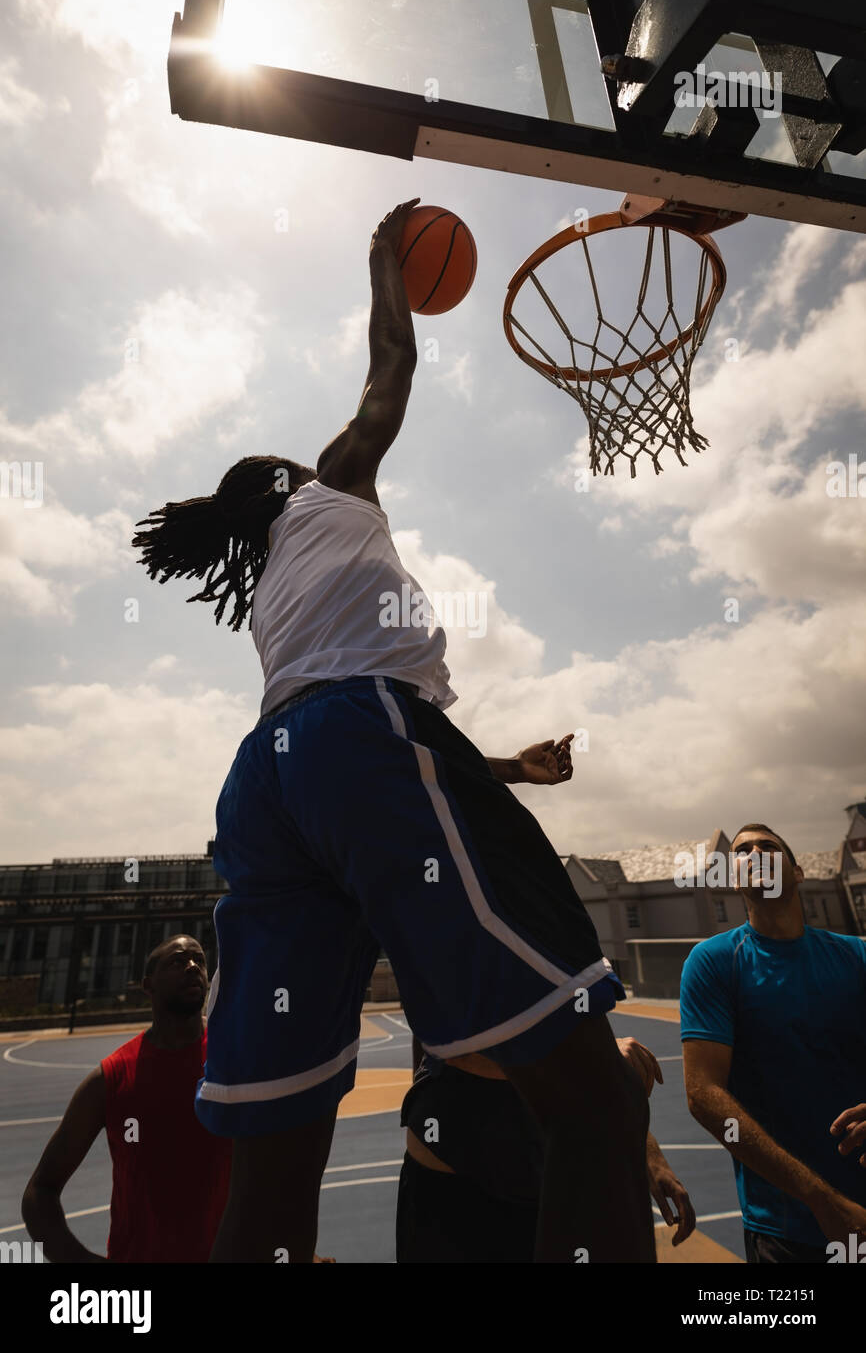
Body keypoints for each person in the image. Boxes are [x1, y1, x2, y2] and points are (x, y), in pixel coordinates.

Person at [132, 199, 654, 1264]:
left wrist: (503, 766)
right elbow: (390, 368)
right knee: (594, 1106)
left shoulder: (274, 585)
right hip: (359, 742)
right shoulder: (330, 486)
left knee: (275, 1167)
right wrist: (384, 264)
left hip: (270, 786)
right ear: (287, 480)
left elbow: (360, 762)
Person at [681, 823, 866, 1263]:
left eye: (769, 846)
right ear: (732, 878)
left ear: (798, 872)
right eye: (743, 851)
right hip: (787, 1225)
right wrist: (821, 1198)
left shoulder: (856, 955)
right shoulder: (714, 962)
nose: (757, 853)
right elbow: (703, 1094)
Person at [398, 1031, 695, 1262]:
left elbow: (578, 1025)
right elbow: (461, 1045)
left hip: (545, 1166)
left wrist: (644, 1147)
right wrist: (596, 1058)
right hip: (460, 1189)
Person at [22, 936, 231, 1263]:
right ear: (148, 985)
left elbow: (276, 1170)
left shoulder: (235, 1062)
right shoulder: (111, 1078)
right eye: (177, 961)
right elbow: (39, 1192)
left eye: (199, 960)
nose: (192, 967)